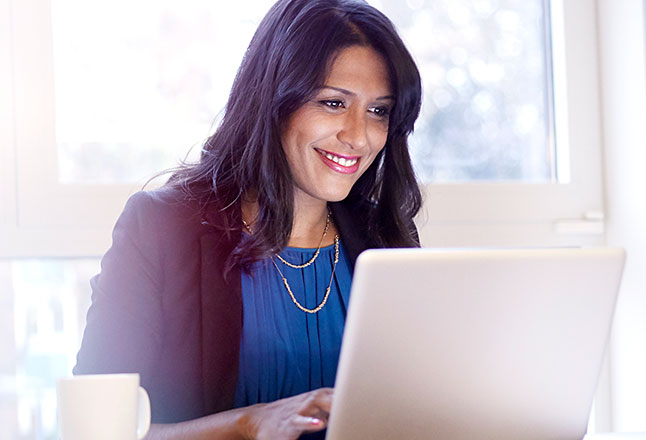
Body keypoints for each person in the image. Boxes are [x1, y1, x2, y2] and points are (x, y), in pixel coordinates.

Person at [73, 0, 422, 438]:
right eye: (333, 103)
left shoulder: (385, 238)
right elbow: (94, 430)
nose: (357, 136)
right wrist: (247, 424)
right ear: (273, 102)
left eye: (378, 111)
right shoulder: (161, 228)